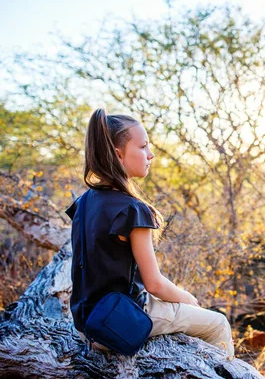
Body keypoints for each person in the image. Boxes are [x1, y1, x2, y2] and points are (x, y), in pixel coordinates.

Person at [66, 108, 234, 357]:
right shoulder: (132, 210)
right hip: (118, 322)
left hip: (85, 323)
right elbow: (154, 284)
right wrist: (187, 298)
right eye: (143, 146)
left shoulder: (83, 201)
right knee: (218, 323)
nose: (150, 154)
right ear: (118, 154)